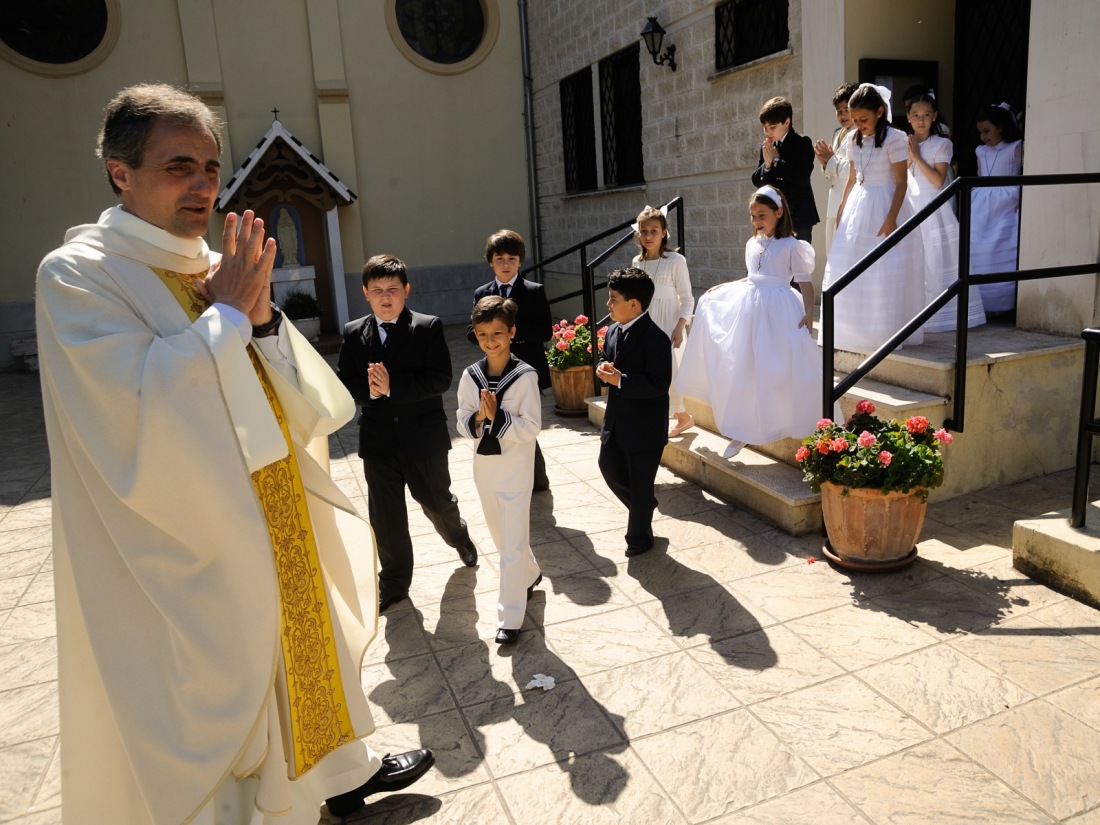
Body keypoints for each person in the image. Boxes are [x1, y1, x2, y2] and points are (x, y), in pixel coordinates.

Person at [35, 83, 433, 825]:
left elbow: (287, 393)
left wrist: (263, 322)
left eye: (212, 167)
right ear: (120, 172)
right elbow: (132, 411)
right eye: (178, 165)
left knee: (303, 654)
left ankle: (336, 774)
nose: (204, 184)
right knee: (228, 691)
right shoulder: (79, 275)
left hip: (274, 506)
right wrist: (225, 316)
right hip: (189, 534)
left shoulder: (212, 264)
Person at [338, 253, 478, 613]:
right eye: (378, 290)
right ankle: (395, 583)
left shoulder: (427, 327)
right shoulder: (354, 333)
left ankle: (458, 536)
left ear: (407, 291)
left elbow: (439, 379)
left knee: (436, 502)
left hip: (423, 438)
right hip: (378, 440)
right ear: (365, 293)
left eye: (393, 290)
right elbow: (346, 383)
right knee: (386, 518)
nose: (386, 297)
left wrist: (392, 387)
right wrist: (369, 392)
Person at [676, 187, 824, 458]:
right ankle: (741, 429)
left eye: (762, 215)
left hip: (778, 309)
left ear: (779, 213)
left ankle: (787, 421)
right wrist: (724, 286)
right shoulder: (752, 243)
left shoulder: (793, 246)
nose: (756, 221)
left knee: (776, 368)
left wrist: (809, 314)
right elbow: (753, 276)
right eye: (753, 216)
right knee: (743, 366)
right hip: (750, 307)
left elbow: (805, 283)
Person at [457, 296, 544, 644]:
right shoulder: (470, 376)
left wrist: (500, 417)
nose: (490, 341)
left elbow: (532, 427)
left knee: (510, 546)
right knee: (501, 538)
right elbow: (462, 422)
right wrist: (479, 417)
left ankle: (510, 618)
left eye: (497, 333)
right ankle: (531, 572)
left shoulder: (525, 377)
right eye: (482, 334)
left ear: (511, 333)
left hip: (516, 472)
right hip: (486, 471)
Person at [821, 83, 925, 352]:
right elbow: (853, 178)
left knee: (885, 268)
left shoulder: (895, 138)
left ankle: (885, 330)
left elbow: (901, 182)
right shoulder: (855, 139)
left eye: (863, 119)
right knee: (853, 264)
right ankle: (856, 332)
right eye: (855, 120)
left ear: (880, 112)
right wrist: (843, 209)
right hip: (860, 204)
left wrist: (891, 219)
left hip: (887, 203)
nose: (859, 125)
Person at [468, 229, 553, 490]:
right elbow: (473, 331)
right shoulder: (482, 292)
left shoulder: (534, 290)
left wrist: (509, 334)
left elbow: (545, 331)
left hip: (527, 367)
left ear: (520, 261)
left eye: (511, 259)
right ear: (490, 262)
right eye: (499, 259)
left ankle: (536, 479)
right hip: (495, 367)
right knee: (503, 419)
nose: (506, 265)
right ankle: (516, 475)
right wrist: (490, 338)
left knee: (524, 422)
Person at [596, 267, 672, 557]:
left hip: (644, 429)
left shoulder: (656, 339)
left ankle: (639, 537)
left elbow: (658, 384)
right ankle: (643, 507)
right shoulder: (614, 330)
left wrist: (620, 380)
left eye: (613, 299)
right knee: (609, 467)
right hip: (616, 421)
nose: (608, 304)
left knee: (641, 483)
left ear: (634, 305)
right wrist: (604, 369)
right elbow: (607, 358)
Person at [905, 91, 986, 332]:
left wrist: (917, 158)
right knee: (914, 260)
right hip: (909, 205)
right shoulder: (903, 142)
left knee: (936, 258)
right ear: (908, 117)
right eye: (916, 115)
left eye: (926, 115)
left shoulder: (942, 144)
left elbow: (938, 180)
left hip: (932, 206)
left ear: (934, 117)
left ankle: (941, 316)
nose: (921, 121)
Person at [631, 205, 695, 438]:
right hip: (645, 322)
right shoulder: (637, 262)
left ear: (664, 232)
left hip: (668, 323)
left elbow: (687, 298)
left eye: (654, 231)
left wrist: (680, 327)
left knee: (669, 371)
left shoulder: (675, 260)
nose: (648, 236)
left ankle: (683, 417)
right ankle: (655, 416)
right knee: (646, 370)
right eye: (644, 231)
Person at [971, 102, 1024, 316]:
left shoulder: (1015, 148)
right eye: (981, 132)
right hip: (982, 203)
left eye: (987, 131)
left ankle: (1004, 301)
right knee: (978, 247)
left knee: (1003, 244)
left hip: (1007, 201)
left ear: (1000, 127)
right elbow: (980, 175)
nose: (984, 137)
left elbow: (1023, 173)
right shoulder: (980, 151)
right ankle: (980, 300)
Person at [751, 95, 820, 242]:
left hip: (799, 217)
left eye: (772, 127)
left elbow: (802, 178)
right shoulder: (768, 146)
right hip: (775, 219)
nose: (768, 132)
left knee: (799, 262)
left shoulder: (802, 143)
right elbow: (757, 181)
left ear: (787, 122)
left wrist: (777, 161)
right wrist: (768, 166)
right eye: (765, 128)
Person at [814, 82, 857, 255]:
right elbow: (831, 169)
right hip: (834, 201)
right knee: (832, 251)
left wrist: (831, 161)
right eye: (839, 111)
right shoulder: (837, 133)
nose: (843, 115)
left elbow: (856, 170)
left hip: (850, 200)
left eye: (847, 109)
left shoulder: (861, 133)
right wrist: (824, 163)